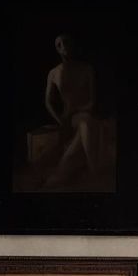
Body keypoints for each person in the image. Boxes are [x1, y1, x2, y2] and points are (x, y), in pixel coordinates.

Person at [43, 33, 96, 186]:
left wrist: (78, 110)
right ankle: (90, 170)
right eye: (59, 45)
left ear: (72, 44)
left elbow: (92, 101)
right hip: (66, 118)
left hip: (84, 114)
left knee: (85, 125)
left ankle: (62, 173)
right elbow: (48, 102)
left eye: (66, 42)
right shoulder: (53, 73)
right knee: (82, 128)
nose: (63, 47)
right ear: (57, 50)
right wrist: (60, 119)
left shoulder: (87, 69)